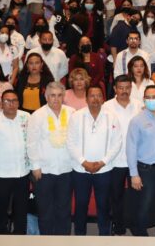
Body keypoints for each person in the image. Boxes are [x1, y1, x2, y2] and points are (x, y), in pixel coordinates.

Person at [67, 85, 122, 235]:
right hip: (80, 170)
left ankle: (104, 235)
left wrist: (103, 162)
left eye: (99, 95)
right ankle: (80, 236)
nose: (95, 99)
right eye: (92, 95)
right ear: (86, 99)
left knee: (103, 205)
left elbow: (117, 142)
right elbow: (70, 142)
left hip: (104, 169)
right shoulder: (76, 116)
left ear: (103, 99)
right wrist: (84, 162)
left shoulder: (111, 116)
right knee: (81, 205)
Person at [26, 81, 75, 236]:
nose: (56, 99)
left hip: (67, 169)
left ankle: (63, 239)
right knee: (45, 210)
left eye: (59, 95)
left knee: (64, 209)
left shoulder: (72, 112)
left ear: (64, 96)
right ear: (46, 96)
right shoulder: (37, 115)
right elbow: (31, 143)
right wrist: (35, 166)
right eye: (52, 95)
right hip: (44, 171)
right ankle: (46, 240)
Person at [127, 85, 155, 236]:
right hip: (146, 170)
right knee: (144, 206)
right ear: (144, 100)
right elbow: (131, 148)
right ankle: (141, 237)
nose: (152, 100)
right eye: (148, 97)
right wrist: (134, 174)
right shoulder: (137, 120)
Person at [0, 90, 30, 234]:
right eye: (7, 101)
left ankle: (20, 238)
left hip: (23, 172)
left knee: (21, 210)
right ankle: (2, 238)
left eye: (14, 100)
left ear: (18, 102)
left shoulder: (26, 117)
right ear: (1, 104)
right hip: (2, 175)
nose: (11, 104)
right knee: (1, 210)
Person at [101, 75, 141, 235]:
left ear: (131, 88)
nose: (124, 91)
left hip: (135, 160)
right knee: (115, 196)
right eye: (121, 88)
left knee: (135, 196)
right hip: (114, 160)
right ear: (115, 89)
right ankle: (118, 226)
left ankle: (134, 224)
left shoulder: (139, 105)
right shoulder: (106, 107)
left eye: (127, 88)